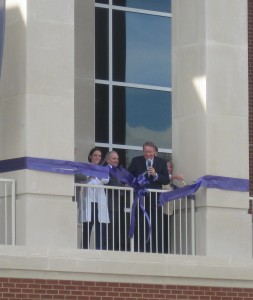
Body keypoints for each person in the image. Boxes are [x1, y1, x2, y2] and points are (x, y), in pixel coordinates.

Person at [128, 141, 170, 253]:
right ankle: (140, 249)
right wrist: (137, 180)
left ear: (155, 152)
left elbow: (166, 179)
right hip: (140, 197)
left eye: (150, 152)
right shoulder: (136, 161)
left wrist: (156, 175)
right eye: (146, 152)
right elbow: (128, 176)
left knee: (156, 223)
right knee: (141, 223)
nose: (148, 154)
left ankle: (156, 250)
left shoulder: (161, 162)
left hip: (155, 199)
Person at [78, 147, 109, 250]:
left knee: (100, 227)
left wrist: (98, 174)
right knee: (87, 227)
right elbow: (82, 179)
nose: (97, 157)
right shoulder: (85, 167)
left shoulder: (103, 169)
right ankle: (85, 249)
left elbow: (106, 180)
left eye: (99, 156)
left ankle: (100, 249)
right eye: (95, 155)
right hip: (89, 201)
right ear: (91, 156)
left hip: (99, 201)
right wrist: (89, 176)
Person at [104, 150, 128, 251]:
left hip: (118, 204)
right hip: (109, 203)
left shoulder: (118, 171)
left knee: (116, 229)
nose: (116, 160)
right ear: (108, 160)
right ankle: (108, 250)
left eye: (117, 159)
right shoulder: (105, 169)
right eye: (114, 158)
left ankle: (114, 249)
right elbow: (109, 183)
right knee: (109, 230)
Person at [163, 159, 184, 253]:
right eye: (166, 166)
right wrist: (175, 177)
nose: (168, 168)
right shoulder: (162, 179)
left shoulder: (170, 183)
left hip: (169, 212)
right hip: (162, 211)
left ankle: (166, 251)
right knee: (162, 233)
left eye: (170, 167)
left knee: (167, 234)